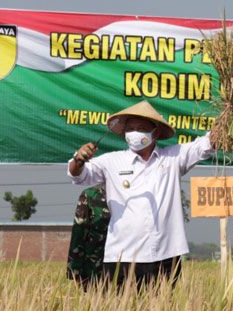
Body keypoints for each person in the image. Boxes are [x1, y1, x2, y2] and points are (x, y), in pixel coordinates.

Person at [68, 100, 215, 288]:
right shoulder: (112, 161)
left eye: (141, 128)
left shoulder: (173, 158)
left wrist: (229, 114)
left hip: (165, 254)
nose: (134, 133)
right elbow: (78, 176)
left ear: (155, 133)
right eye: (130, 129)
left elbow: (206, 145)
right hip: (122, 255)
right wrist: (78, 159)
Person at [66, 183, 110, 290]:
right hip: (94, 270)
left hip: (127, 267)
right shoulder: (90, 196)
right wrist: (75, 270)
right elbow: (79, 232)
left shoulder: (128, 195)